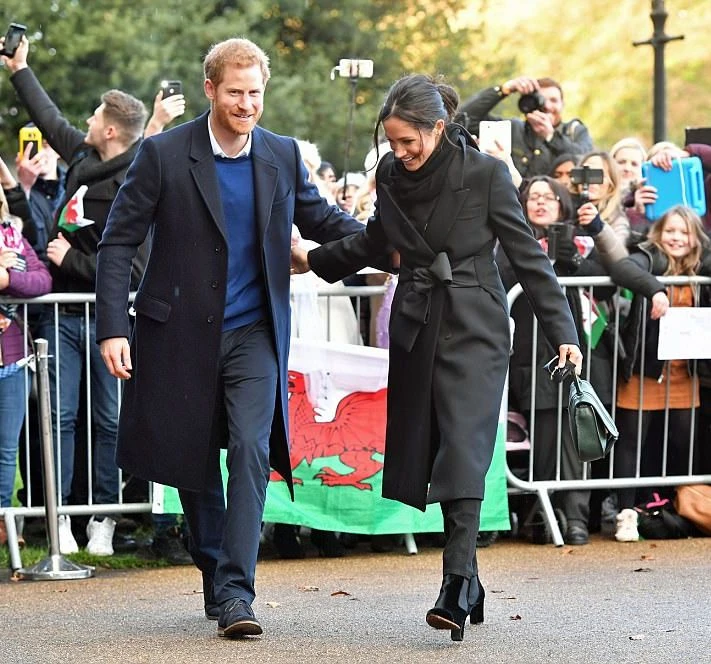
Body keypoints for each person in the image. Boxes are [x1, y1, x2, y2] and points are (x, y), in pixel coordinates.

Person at [291, 73, 583, 641]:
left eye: (410, 141)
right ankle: (468, 578)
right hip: (418, 324)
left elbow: (527, 256)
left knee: (466, 446)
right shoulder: (391, 179)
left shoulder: (486, 175)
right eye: (394, 143)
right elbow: (375, 242)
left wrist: (561, 330)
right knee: (441, 444)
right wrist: (313, 259)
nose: (401, 153)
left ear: (439, 127)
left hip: (475, 324)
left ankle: (453, 582)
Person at [95, 38, 367, 638]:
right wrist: (114, 326)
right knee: (192, 465)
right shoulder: (164, 154)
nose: (247, 104)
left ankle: (237, 594)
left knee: (250, 449)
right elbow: (116, 243)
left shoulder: (283, 155)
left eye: (256, 93)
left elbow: (324, 221)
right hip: (179, 337)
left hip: (254, 335)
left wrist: (384, 243)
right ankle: (216, 570)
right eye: (236, 92)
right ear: (211, 89)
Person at [1, 36, 149, 556]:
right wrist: (20, 69)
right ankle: (59, 516)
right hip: (61, 320)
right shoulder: (84, 157)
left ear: (111, 130)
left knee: (108, 419)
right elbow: (49, 119)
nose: (84, 121)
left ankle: (103, 519)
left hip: (107, 319)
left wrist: (71, 262)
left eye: (93, 116)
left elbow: (134, 267)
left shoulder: (137, 179)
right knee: (59, 418)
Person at [499, 176, 625, 545]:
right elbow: (504, 281)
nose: (540, 203)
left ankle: (576, 519)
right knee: (543, 439)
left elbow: (607, 285)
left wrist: (571, 263)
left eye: (548, 197)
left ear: (562, 204)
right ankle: (543, 517)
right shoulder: (509, 241)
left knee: (578, 433)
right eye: (533, 197)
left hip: (578, 356)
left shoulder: (581, 242)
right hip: (529, 358)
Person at [608, 205, 708, 542]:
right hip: (644, 370)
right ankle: (625, 513)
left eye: (684, 232)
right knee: (631, 442)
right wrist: (655, 289)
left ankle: (685, 509)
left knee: (684, 444)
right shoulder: (646, 256)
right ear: (659, 233)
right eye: (670, 231)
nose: (677, 238)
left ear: (695, 237)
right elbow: (621, 268)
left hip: (685, 371)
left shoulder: (702, 262)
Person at [0, 185, 52, 546]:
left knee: (6, 450)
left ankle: (2, 522)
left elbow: (42, 279)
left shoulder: (12, 236)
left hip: (12, 361)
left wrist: (7, 279)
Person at [457, 76, 593, 179]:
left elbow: (584, 159)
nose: (547, 106)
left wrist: (551, 137)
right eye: (541, 100)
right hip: (513, 208)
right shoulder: (513, 129)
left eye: (553, 100)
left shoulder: (574, 131)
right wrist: (505, 89)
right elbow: (464, 118)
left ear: (562, 104)